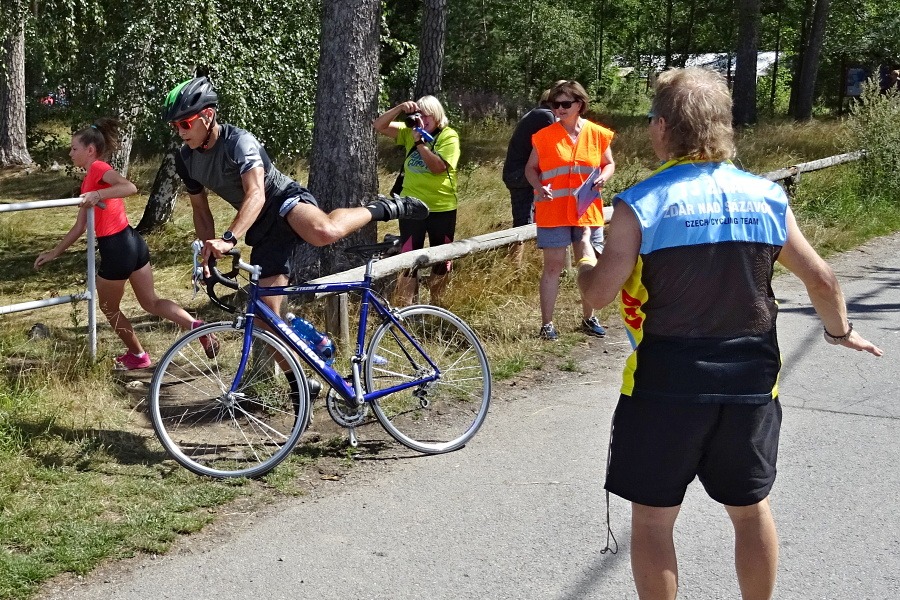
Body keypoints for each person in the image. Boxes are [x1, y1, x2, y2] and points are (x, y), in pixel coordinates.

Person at [576, 67, 883, 600]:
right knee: (750, 510)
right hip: (751, 380)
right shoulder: (766, 196)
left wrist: (584, 254)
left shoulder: (640, 204)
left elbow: (598, 294)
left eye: (650, 120)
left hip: (665, 381)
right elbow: (821, 278)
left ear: (664, 127)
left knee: (653, 521)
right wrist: (840, 332)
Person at [163, 77, 428, 318]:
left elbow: (256, 193)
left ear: (208, 116)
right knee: (268, 318)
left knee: (323, 232)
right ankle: (306, 358)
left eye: (185, 123)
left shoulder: (239, 142)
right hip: (262, 225)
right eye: (175, 126)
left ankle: (381, 208)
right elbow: (201, 211)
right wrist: (207, 255)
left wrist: (229, 238)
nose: (181, 132)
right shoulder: (186, 159)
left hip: (282, 199)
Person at [34, 118, 219, 369]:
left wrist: (98, 194)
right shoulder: (89, 179)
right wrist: (54, 253)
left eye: (74, 148)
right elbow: (80, 226)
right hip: (132, 242)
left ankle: (138, 356)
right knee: (151, 302)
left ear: (90, 150)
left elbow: (130, 187)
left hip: (117, 248)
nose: (70, 153)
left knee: (108, 308)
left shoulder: (98, 168)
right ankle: (197, 327)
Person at [524, 80, 615, 340]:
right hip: (553, 210)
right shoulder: (543, 136)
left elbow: (609, 163)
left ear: (580, 104)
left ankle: (589, 317)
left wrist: (604, 177)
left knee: (588, 263)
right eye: (555, 104)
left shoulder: (597, 133)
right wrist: (538, 186)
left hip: (586, 209)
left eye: (565, 103)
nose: (560, 109)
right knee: (552, 267)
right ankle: (547, 325)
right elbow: (530, 169)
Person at [373, 95, 461, 305]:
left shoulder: (448, 136)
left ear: (437, 115)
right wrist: (400, 108)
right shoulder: (409, 132)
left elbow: (438, 167)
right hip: (411, 207)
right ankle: (406, 308)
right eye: (418, 114)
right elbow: (378, 125)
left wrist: (419, 143)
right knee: (408, 257)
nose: (422, 119)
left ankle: (437, 306)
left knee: (442, 258)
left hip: (441, 207)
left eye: (426, 115)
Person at [502, 86, 557, 265]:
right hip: (520, 175)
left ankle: (525, 260)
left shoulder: (537, 113)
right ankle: (515, 266)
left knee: (528, 218)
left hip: (517, 174)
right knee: (523, 223)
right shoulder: (546, 116)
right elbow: (554, 146)